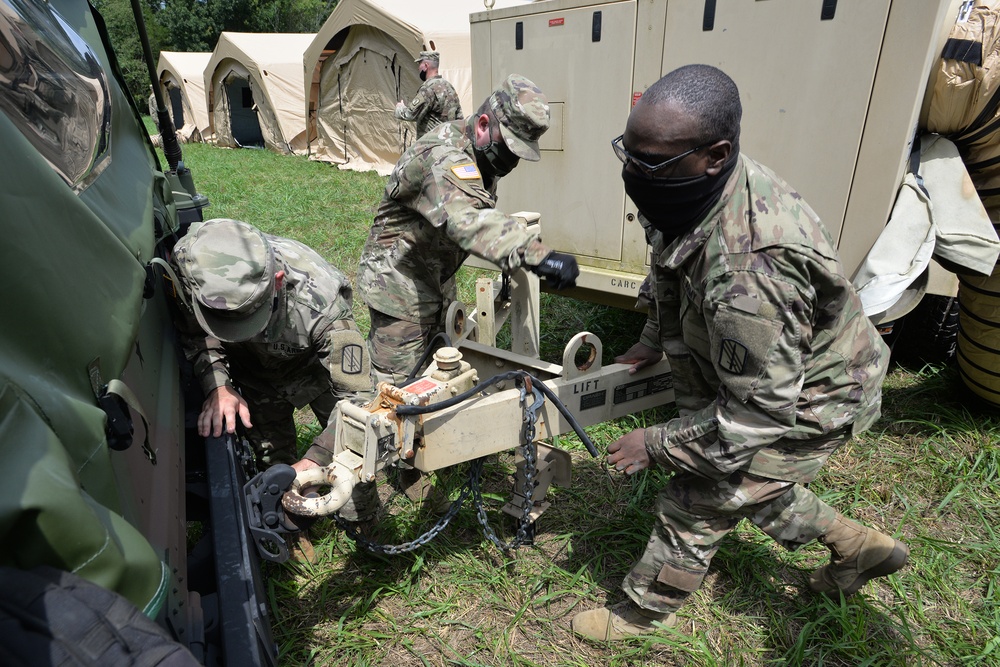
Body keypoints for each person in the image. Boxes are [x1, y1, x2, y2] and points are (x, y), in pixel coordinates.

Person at [570, 65, 909, 641]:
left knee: (703, 488)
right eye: (627, 153)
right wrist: (652, 339)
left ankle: (644, 610)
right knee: (748, 478)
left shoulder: (753, 265)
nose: (633, 173)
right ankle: (859, 549)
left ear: (715, 153)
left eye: (649, 162)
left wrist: (656, 443)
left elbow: (756, 416)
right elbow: (668, 268)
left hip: (816, 395)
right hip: (763, 382)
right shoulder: (688, 193)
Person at [358, 73, 579, 502]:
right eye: (508, 149)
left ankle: (414, 459)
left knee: (431, 376)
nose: (510, 163)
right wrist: (537, 254)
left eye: (519, 154)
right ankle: (362, 494)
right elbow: (465, 220)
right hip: (398, 285)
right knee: (390, 391)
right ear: (482, 125)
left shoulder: (480, 154)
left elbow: (474, 210)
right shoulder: (444, 154)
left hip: (432, 278)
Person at [170, 218, 378, 556]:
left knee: (350, 451)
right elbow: (195, 332)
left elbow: (361, 401)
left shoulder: (322, 304)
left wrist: (316, 461)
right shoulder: (195, 268)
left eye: (248, 316)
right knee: (273, 458)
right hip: (254, 377)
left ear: (278, 282)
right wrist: (218, 385)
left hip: (316, 371)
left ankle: (361, 523)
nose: (241, 331)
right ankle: (290, 524)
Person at [395, 51, 463, 139]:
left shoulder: (428, 88)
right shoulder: (449, 87)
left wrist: (399, 108)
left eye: (420, 64)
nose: (418, 68)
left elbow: (410, 114)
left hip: (432, 145)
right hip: (449, 143)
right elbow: (460, 118)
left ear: (426, 66)